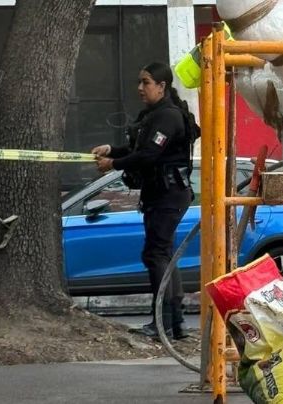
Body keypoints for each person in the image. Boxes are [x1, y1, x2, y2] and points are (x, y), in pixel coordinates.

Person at [92, 62, 197, 340]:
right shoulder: (155, 114)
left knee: (155, 254)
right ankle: (175, 324)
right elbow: (140, 147)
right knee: (162, 254)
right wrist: (112, 149)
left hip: (168, 193)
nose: (140, 88)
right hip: (161, 193)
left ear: (161, 86)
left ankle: (162, 323)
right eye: (139, 82)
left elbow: (149, 154)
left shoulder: (168, 116)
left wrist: (113, 163)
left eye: (146, 82)